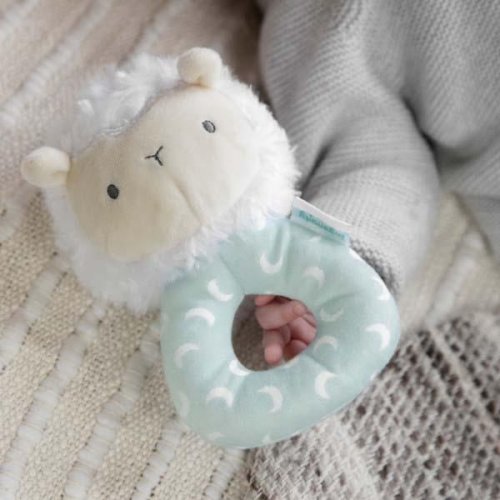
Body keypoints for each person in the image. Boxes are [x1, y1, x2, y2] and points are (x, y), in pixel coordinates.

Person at [253, 0, 500, 365]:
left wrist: (336, 265)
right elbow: (382, 159)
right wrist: (338, 267)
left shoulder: (322, 40)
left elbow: (379, 157)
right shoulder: (322, 36)